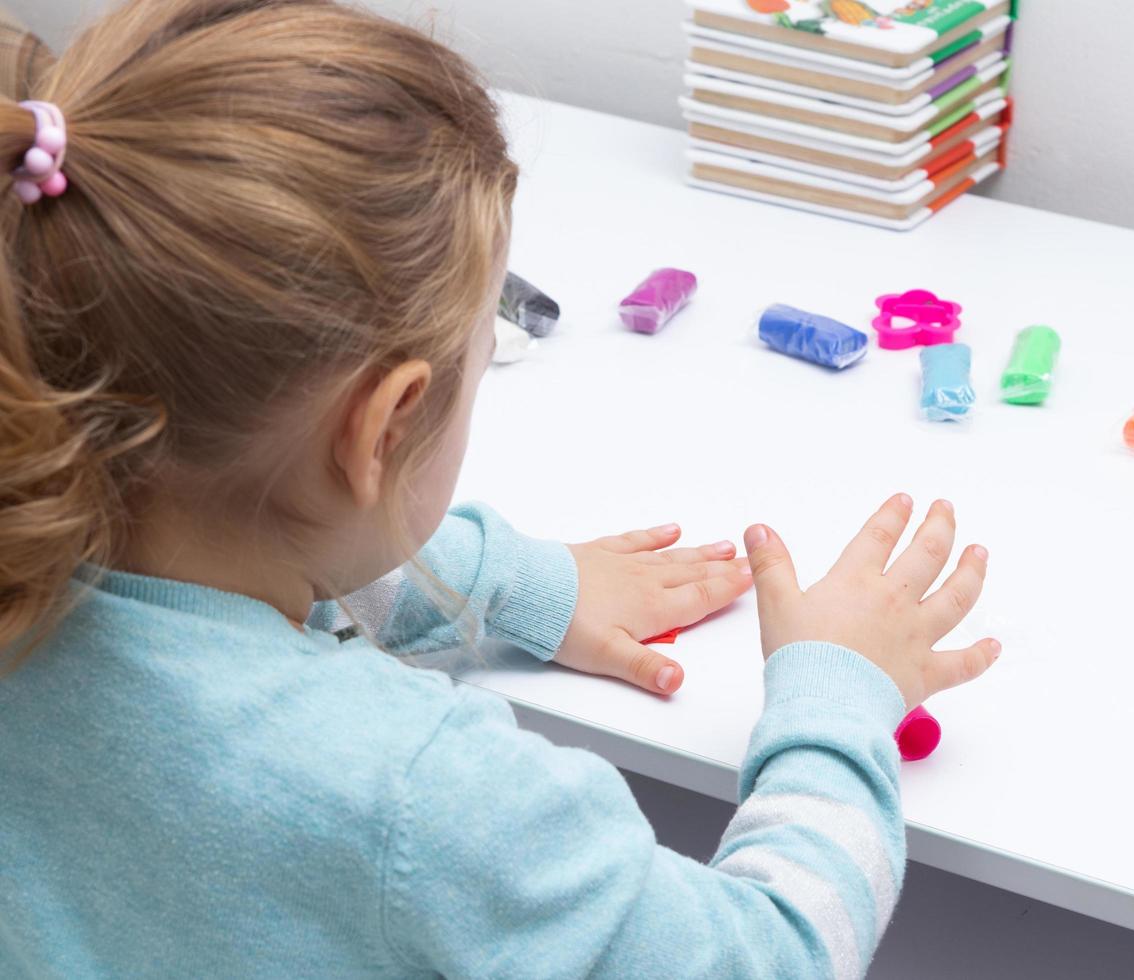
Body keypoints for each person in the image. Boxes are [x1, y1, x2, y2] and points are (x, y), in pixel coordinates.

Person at [0, 1, 1000, 976]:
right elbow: (770, 954)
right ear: (385, 425)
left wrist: (516, 581)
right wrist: (839, 700)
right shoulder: (426, 793)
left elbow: (219, 550)